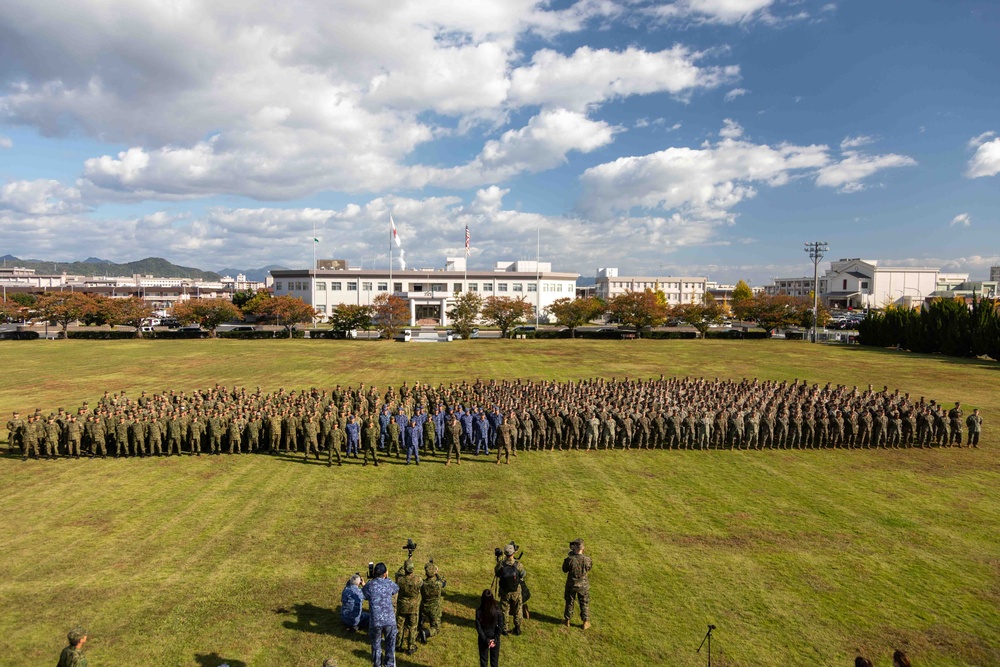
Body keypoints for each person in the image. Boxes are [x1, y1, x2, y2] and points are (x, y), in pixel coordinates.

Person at [362, 562, 398, 667]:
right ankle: (389, 665)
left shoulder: (370, 585)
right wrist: (387, 578)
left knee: (376, 645)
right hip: (389, 620)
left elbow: (364, 595)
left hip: (375, 621)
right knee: (390, 646)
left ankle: (377, 665)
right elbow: (396, 589)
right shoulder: (389, 583)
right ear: (385, 573)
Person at [493, 543, 526, 636]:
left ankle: (504, 629)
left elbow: (497, 573)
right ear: (513, 553)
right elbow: (523, 574)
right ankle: (517, 628)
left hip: (504, 591)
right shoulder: (518, 565)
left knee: (504, 610)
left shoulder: (501, 564)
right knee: (517, 609)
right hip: (516, 591)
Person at [563, 537, 592, 629]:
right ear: (583, 548)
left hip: (571, 585)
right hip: (583, 585)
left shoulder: (570, 559)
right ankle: (585, 622)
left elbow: (564, 569)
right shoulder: (587, 559)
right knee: (584, 603)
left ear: (575, 547)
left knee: (569, 602)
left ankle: (567, 620)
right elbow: (589, 567)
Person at [394, 559, 422, 655]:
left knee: (399, 626)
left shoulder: (400, 579)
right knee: (412, 627)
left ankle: (398, 644)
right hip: (413, 607)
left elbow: (398, 573)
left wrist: (405, 563)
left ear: (405, 569)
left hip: (402, 606)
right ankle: (411, 646)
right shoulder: (418, 579)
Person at [418, 560, 445, 643]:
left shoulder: (422, 583)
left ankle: (419, 624)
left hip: (424, 607)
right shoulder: (438, 584)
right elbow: (444, 582)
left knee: (421, 616)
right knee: (436, 628)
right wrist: (437, 573)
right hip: (434, 609)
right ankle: (426, 633)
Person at [475, 589, 502, 667]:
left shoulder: (479, 611)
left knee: (483, 662)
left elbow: (478, 627)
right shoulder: (497, 611)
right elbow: (500, 626)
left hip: (483, 638)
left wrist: (486, 640)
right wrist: (496, 639)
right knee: (494, 662)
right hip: (494, 637)